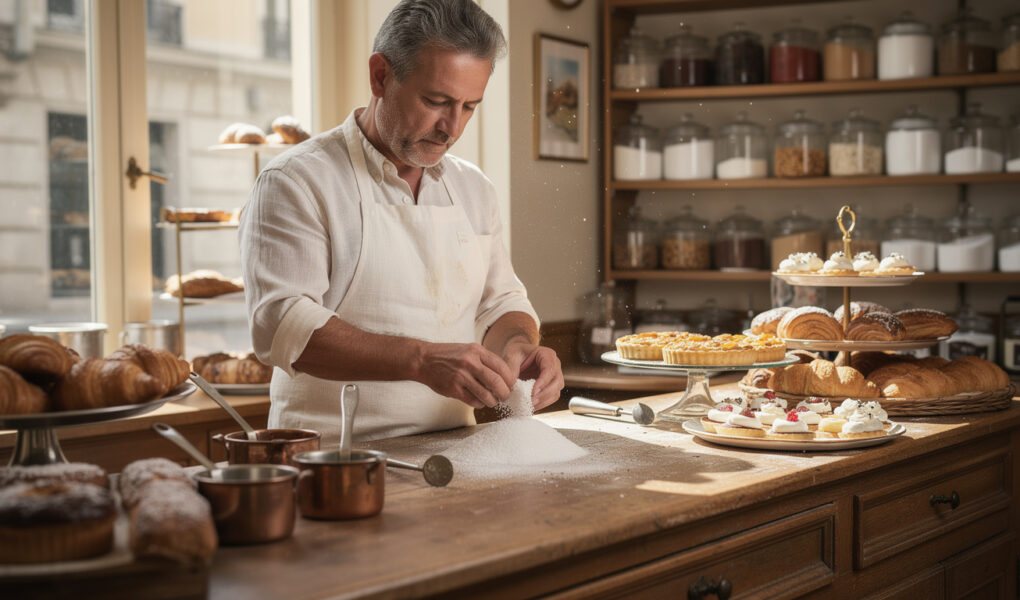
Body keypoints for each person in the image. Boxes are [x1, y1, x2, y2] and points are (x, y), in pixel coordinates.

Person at [239, 0, 563, 442]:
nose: (452, 128)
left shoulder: (473, 188)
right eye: (436, 101)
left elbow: (500, 302)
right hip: (333, 463)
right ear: (380, 76)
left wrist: (518, 349)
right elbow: (281, 323)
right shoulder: (297, 180)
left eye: (469, 107)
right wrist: (421, 361)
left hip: (453, 457)